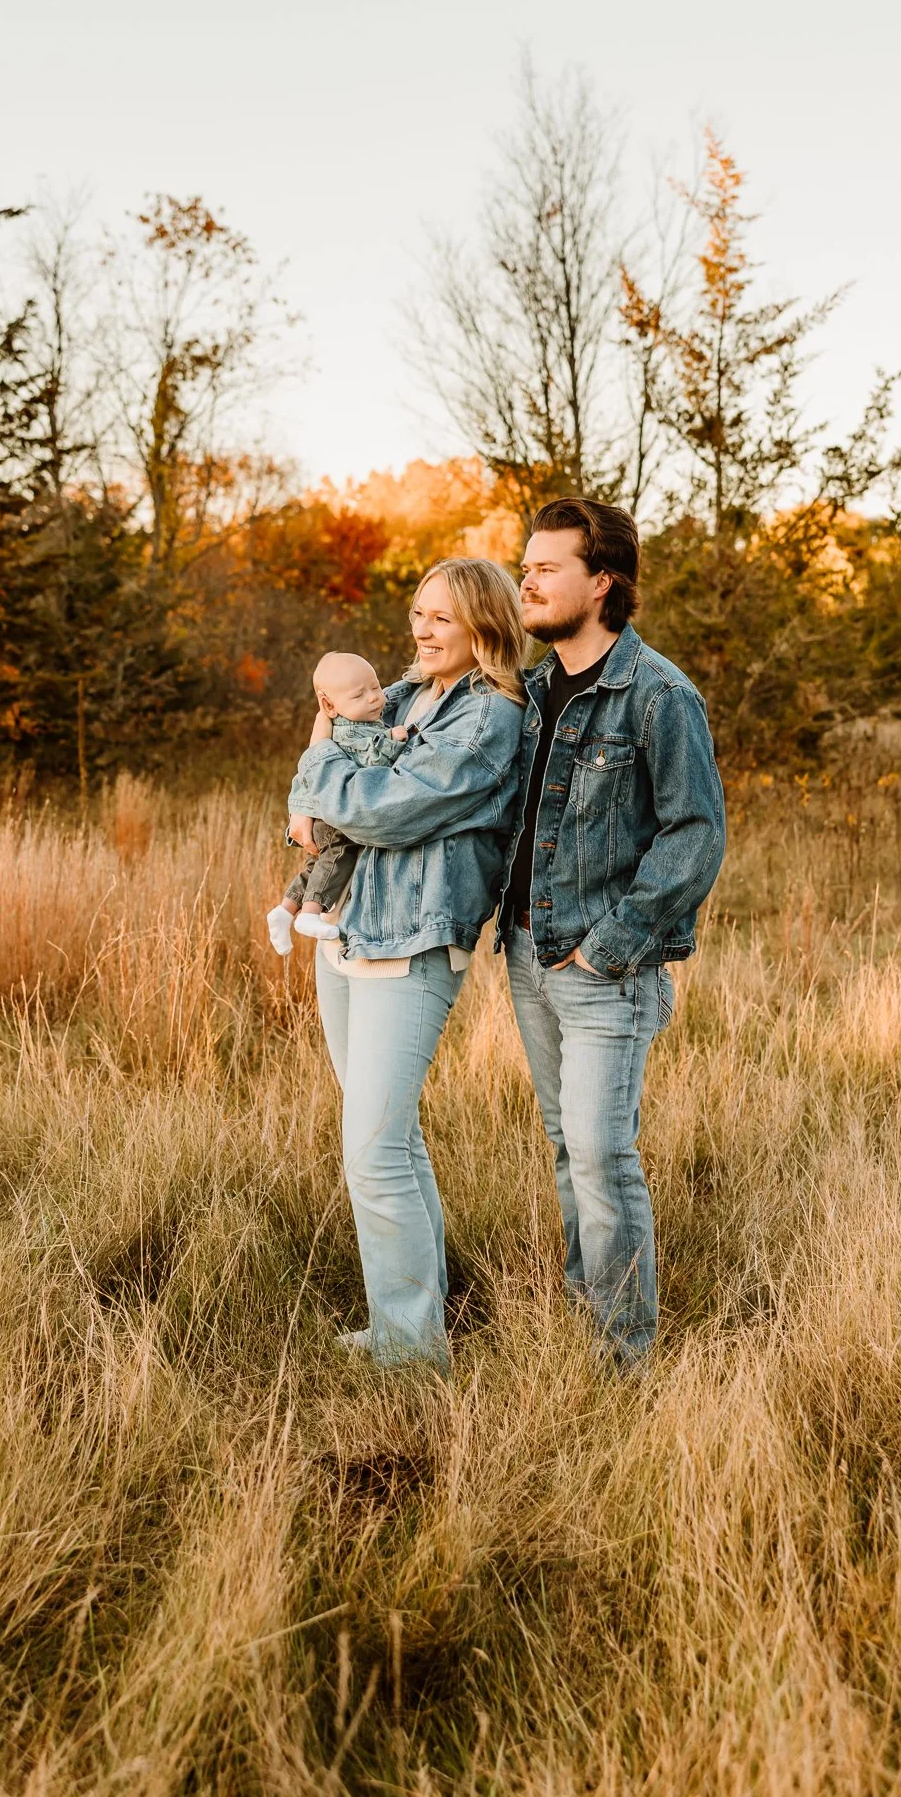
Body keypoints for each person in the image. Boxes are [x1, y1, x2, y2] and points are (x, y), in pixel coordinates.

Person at [497, 497, 725, 1368]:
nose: (527, 578)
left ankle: (621, 1356)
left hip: (604, 967)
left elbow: (695, 832)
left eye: (546, 566)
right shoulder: (526, 693)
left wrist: (611, 945)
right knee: (567, 1148)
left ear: (601, 583)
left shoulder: (657, 694)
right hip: (526, 952)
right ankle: (582, 1310)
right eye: (526, 564)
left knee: (601, 1153)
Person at [288, 558, 527, 1371]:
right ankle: (413, 1322)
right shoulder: (402, 695)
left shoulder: (489, 716)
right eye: (417, 615)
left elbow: (381, 812)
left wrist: (318, 766)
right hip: (353, 930)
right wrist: (326, 776)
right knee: (391, 1138)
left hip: (415, 939)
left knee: (373, 1150)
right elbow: (335, 789)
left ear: (484, 626)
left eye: (441, 619)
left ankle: (410, 1351)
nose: (421, 632)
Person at [268, 651, 409, 954]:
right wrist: (393, 740)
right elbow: (373, 758)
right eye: (360, 695)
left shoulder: (355, 720)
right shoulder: (350, 731)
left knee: (317, 864)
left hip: (322, 815)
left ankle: (284, 909)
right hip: (333, 818)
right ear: (330, 706)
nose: (373, 698)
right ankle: (309, 914)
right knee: (337, 856)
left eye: (375, 687)